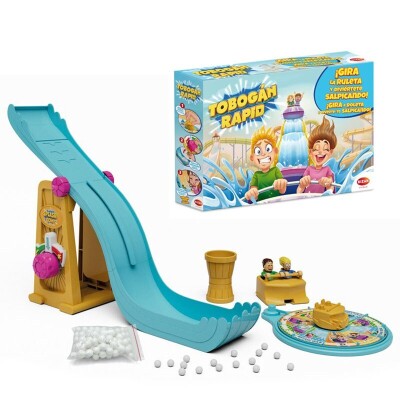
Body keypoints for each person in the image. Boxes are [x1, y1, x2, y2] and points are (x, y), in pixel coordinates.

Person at [244, 126, 287, 202]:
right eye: (258, 151)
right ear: (252, 157)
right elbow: (254, 195)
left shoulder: (275, 170)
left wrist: (281, 183)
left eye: (268, 149)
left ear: (275, 151)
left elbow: (282, 191)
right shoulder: (256, 175)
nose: (263, 153)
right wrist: (252, 193)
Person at [297, 116, 337, 194]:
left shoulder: (327, 170)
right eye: (316, 149)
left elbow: (331, 188)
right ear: (310, 152)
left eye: (325, 149)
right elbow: (299, 190)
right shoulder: (309, 169)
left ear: (330, 152)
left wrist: (328, 183)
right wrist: (302, 183)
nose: (320, 152)